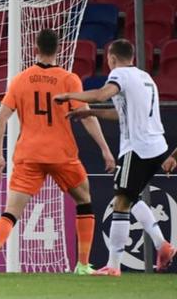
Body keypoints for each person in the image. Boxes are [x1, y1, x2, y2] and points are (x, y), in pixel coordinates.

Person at [0, 29, 115, 275]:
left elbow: (0, 119)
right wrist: (106, 150)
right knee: (84, 202)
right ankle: (83, 265)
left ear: (35, 47)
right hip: (61, 155)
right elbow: (87, 118)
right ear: (58, 49)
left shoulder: (21, 79)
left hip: (29, 155)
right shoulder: (69, 79)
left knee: (11, 211)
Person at [56, 38, 176, 276]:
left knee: (121, 201)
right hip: (156, 146)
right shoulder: (144, 78)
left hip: (137, 149)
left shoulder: (120, 74)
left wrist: (70, 95)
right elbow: (121, 113)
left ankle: (114, 265)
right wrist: (91, 113)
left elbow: (102, 94)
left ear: (111, 59)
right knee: (130, 197)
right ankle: (162, 245)